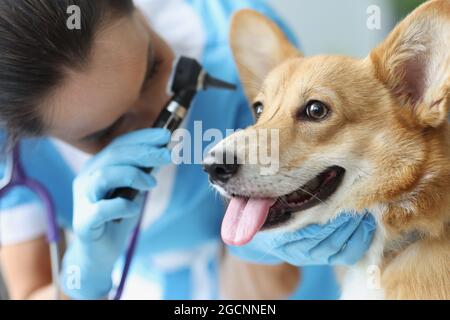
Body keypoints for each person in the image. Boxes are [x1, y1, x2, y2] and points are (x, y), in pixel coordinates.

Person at [0, 0, 375, 300]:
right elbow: (30, 290)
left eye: (153, 69)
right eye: (108, 129)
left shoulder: (240, 46)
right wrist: (83, 278)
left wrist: (260, 243)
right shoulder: (12, 153)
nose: (161, 117)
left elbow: (257, 292)